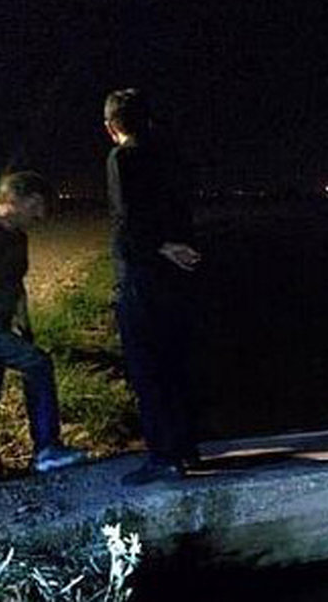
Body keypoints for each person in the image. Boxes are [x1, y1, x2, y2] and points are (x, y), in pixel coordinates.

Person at [104, 88, 202, 485]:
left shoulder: (123, 157)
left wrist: (160, 247)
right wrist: (180, 248)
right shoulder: (171, 158)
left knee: (147, 368)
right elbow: (182, 210)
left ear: (111, 127)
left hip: (142, 276)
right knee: (178, 363)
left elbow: (125, 222)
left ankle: (164, 456)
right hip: (178, 275)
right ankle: (186, 448)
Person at [0, 171, 88, 473]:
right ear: (14, 199)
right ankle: (47, 449)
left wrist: (24, 324)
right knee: (37, 364)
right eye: (36, 204)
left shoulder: (18, 237)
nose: (41, 214)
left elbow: (16, 283)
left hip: (3, 323)